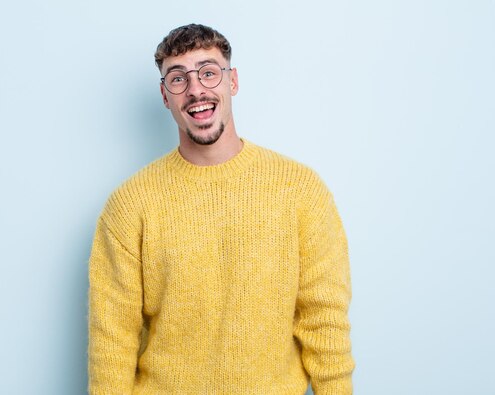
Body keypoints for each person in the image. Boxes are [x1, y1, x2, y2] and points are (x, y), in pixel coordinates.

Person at [88, 23, 355, 394]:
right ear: (165, 96)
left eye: (208, 72)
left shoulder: (301, 191)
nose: (196, 89)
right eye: (178, 79)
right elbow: (111, 340)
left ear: (233, 82)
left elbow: (324, 320)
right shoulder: (130, 206)